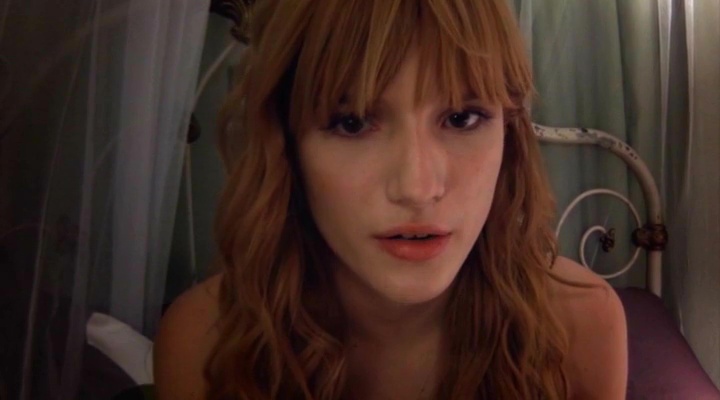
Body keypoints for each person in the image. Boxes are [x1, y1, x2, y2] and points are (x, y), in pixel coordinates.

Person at [154, 0, 628, 398]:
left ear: (510, 134)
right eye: (353, 123)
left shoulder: (581, 326)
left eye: (462, 118)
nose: (418, 188)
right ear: (287, 145)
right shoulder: (204, 345)